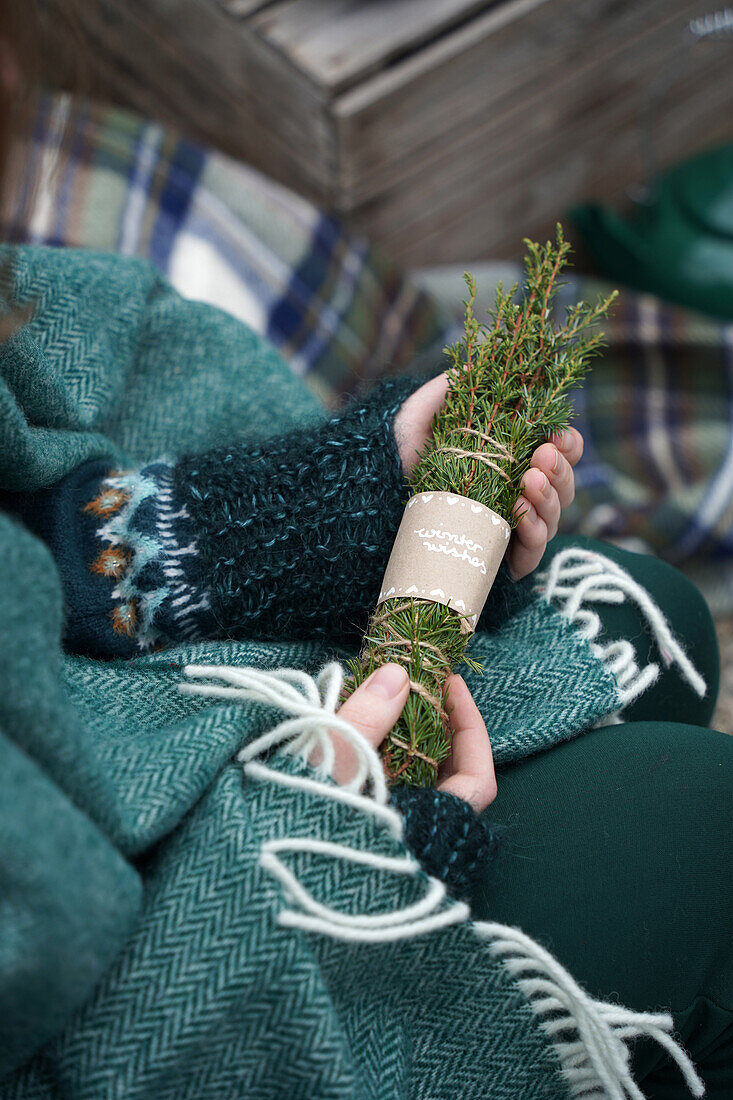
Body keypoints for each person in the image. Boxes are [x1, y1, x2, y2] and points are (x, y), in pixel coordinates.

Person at [0, 5, 730, 1099]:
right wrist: (355, 851)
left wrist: (337, 504)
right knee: (703, 825)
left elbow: (33, 539)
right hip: (177, 969)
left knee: (650, 611)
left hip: (122, 725)